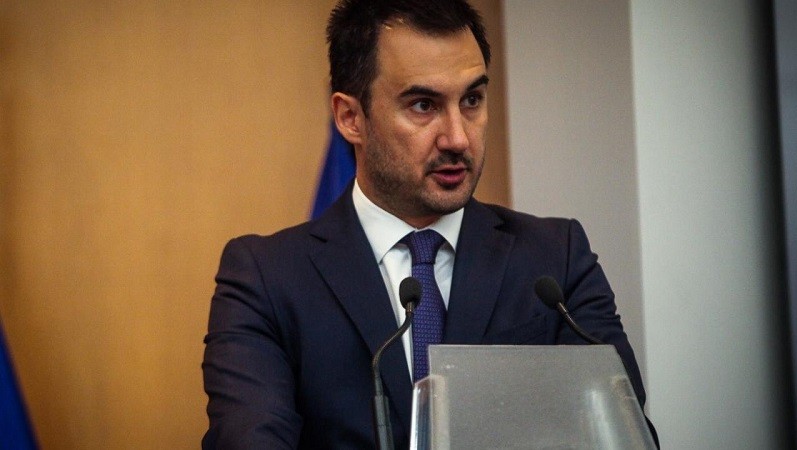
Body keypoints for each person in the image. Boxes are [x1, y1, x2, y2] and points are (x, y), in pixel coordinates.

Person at [202, 0, 653, 448]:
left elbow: (622, 433)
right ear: (350, 118)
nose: (458, 138)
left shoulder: (556, 259)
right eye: (423, 105)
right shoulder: (266, 278)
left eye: (472, 100)